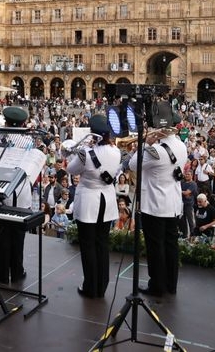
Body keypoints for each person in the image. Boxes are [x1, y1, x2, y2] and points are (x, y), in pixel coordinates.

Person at [67, 114, 120, 298]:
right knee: (102, 244)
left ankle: (90, 286)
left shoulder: (86, 153)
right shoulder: (116, 151)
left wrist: (84, 149)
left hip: (89, 202)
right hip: (107, 201)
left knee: (88, 245)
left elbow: (71, 170)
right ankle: (102, 285)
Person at [130, 127, 186, 296]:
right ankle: (171, 284)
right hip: (173, 203)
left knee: (156, 247)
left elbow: (133, 165)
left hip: (155, 204)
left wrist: (145, 144)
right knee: (171, 245)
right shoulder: (181, 145)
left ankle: (157, 286)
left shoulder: (155, 150)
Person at [0, 106, 40, 284]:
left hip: (1, 189)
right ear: (23, 123)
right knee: (18, 236)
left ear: (6, 122)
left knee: (2, 236)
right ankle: (17, 271)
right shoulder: (27, 141)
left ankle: (1, 273)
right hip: (21, 191)